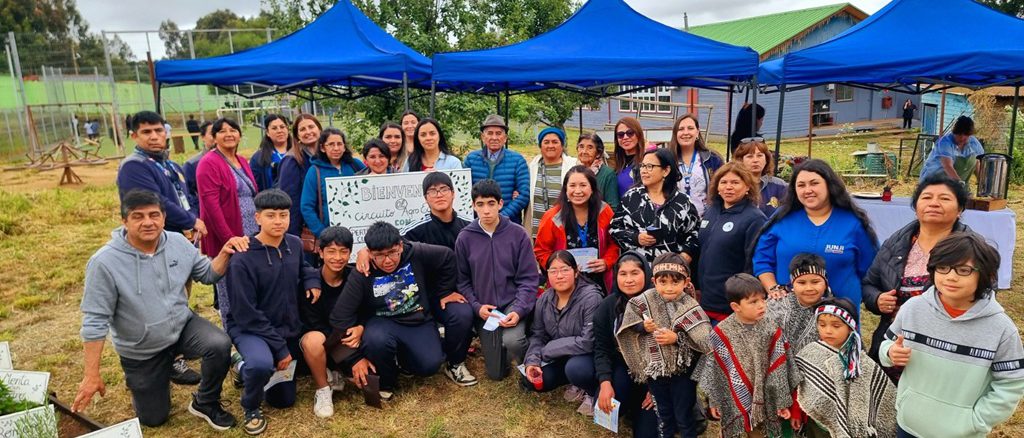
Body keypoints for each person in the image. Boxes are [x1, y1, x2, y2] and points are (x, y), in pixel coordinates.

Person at [73, 189, 248, 430]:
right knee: (154, 419)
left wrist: (225, 252)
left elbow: (208, 274)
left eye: (154, 215)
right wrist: (91, 375)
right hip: (142, 348)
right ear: (124, 221)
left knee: (219, 343)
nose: (148, 222)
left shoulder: (177, 242)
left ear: (164, 218)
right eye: (138, 216)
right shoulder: (104, 262)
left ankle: (205, 402)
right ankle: (147, 379)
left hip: (181, 326)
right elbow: (95, 322)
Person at [880, 233, 1024, 438]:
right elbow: (887, 344)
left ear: (986, 274)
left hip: (961, 434)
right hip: (908, 425)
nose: (951, 277)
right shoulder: (913, 309)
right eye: (943, 268)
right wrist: (890, 352)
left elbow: (1011, 384)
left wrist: (975, 421)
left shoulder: (1001, 329)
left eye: (964, 270)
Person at [329, 222, 476, 398]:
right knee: (376, 339)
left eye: (392, 252)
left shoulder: (415, 252)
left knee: (429, 365)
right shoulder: (362, 272)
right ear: (370, 252)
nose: (387, 260)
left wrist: (444, 291)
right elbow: (339, 317)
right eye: (379, 255)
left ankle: (405, 359)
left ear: (400, 246)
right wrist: (354, 357)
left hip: (417, 320)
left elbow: (447, 256)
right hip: (383, 323)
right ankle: (386, 382)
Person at [223, 189, 320, 435]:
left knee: (283, 400)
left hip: (287, 326)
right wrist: (279, 348)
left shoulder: (294, 244)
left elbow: (304, 268)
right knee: (261, 365)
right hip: (250, 328)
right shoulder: (242, 258)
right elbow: (245, 313)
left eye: (283, 215)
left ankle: (241, 366)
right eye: (271, 215)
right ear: (257, 218)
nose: (278, 221)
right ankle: (250, 405)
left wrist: (311, 281)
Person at [862, 174, 971, 381]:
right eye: (927, 197)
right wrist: (877, 299)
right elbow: (869, 284)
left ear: (960, 209)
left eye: (944, 198)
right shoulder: (896, 243)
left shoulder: (971, 250)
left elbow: (982, 297)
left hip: (942, 350)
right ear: (916, 206)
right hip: (893, 347)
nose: (934, 203)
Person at [752, 159, 878, 311]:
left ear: (829, 184)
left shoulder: (853, 223)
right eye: (801, 185)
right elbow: (762, 260)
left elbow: (871, 270)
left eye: (814, 183)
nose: (807, 190)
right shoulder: (782, 218)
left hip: (839, 316)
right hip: (788, 313)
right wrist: (773, 289)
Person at [616, 253, 711, 438]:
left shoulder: (690, 305)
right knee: (663, 413)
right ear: (654, 281)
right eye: (663, 282)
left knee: (684, 415)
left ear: (686, 282)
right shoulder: (643, 301)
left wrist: (677, 338)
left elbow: (704, 341)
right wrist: (643, 327)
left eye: (675, 282)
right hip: (656, 370)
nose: (669, 288)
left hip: (684, 372)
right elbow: (628, 325)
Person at [456, 179, 539, 380]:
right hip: (486, 310)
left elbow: (529, 279)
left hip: (513, 303)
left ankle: (530, 361)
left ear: (500, 204)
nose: (486, 210)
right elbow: (462, 281)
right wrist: (477, 307)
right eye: (480, 204)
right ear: (473, 206)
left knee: (513, 341)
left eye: (491, 203)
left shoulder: (518, 234)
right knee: (496, 374)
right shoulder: (465, 238)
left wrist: (518, 310)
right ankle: (502, 351)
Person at [694, 273, 796, 438]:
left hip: (767, 394)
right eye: (753, 302)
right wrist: (715, 401)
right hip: (737, 395)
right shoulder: (722, 332)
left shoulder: (771, 328)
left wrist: (781, 401)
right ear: (736, 306)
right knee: (747, 430)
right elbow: (716, 371)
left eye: (763, 299)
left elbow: (780, 367)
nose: (762, 305)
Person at [795, 298, 897, 438]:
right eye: (822, 325)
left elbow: (883, 402)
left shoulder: (861, 363)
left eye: (836, 326)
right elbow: (798, 385)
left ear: (850, 327)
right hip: (817, 426)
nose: (828, 331)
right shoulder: (809, 353)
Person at [522, 251, 603, 416]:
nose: (559, 276)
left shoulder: (591, 297)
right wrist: (532, 361)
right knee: (531, 380)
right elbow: (538, 334)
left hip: (589, 357)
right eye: (553, 271)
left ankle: (591, 390)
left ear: (576, 272)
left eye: (565, 270)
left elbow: (588, 341)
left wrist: (550, 349)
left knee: (576, 368)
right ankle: (572, 381)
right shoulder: (545, 299)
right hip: (562, 356)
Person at [197, 117, 259, 319]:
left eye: (233, 130)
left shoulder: (242, 160)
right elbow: (211, 206)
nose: (229, 134)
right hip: (228, 233)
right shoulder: (209, 163)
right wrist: (228, 239)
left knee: (249, 283)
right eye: (222, 131)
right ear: (214, 137)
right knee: (229, 287)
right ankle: (231, 328)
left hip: (250, 230)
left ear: (240, 135)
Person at [298, 226, 362, 419]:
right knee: (314, 340)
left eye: (343, 251)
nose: (338, 257)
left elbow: (367, 310)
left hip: (351, 338)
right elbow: (314, 325)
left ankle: (337, 371)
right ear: (320, 252)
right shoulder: (310, 284)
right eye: (331, 251)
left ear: (350, 253)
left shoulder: (355, 277)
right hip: (323, 341)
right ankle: (323, 388)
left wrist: (361, 327)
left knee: (368, 381)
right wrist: (349, 358)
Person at [593, 252, 659, 437]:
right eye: (623, 274)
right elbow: (602, 349)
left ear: (646, 274)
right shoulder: (608, 306)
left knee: (646, 434)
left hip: (657, 374)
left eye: (635, 273)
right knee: (604, 409)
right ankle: (631, 404)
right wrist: (605, 383)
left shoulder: (660, 303)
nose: (629, 280)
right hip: (625, 368)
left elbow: (673, 354)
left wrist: (657, 389)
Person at [696, 162, 767, 322]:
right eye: (724, 182)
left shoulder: (755, 218)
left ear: (747, 186)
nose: (728, 187)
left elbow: (753, 264)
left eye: (735, 182)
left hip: (731, 306)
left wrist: (743, 300)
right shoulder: (712, 211)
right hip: (706, 300)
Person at [116, 111, 204, 237]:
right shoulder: (133, 166)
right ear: (134, 136)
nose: (154, 137)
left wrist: (194, 219)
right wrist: (191, 221)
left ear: (165, 133)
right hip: (155, 238)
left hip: (184, 236)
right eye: (146, 132)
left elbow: (189, 196)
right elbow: (155, 202)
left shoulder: (172, 165)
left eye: (158, 130)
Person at [534, 166, 619, 291]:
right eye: (572, 186)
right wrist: (560, 268)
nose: (577, 191)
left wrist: (606, 262)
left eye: (583, 185)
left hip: (600, 281)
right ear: (565, 189)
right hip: (565, 283)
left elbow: (615, 243)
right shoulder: (552, 217)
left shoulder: (604, 211)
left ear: (592, 188)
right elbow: (541, 250)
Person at [610, 147, 700, 264]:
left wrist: (685, 256)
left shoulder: (682, 201)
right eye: (642, 166)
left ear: (666, 171)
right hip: (638, 268)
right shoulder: (631, 197)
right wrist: (636, 238)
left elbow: (695, 233)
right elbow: (614, 229)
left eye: (650, 166)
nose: (643, 171)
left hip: (670, 269)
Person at [463, 114, 531, 224]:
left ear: (505, 138)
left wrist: (501, 217)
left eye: (498, 133)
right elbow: (464, 191)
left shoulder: (517, 160)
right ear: (483, 137)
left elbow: (523, 195)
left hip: (509, 223)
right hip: (477, 222)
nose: (494, 138)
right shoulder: (471, 159)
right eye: (490, 133)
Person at [300, 128, 365, 238]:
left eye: (339, 144)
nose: (336, 148)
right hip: (330, 235)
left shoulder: (355, 165)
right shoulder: (315, 171)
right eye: (331, 144)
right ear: (322, 148)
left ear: (344, 147)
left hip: (358, 230)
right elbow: (306, 207)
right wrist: (322, 233)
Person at [766, 253, 833, 358]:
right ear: (792, 284)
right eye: (802, 283)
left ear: (825, 283)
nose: (809, 288)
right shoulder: (775, 305)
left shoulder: (833, 311)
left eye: (815, 282)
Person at [527, 126, 579, 238]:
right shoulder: (532, 167)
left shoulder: (573, 166)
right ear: (540, 146)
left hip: (564, 230)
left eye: (555, 142)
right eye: (546, 142)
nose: (550, 146)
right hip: (538, 231)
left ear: (562, 145)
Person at [669, 114, 723, 216]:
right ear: (675, 134)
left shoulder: (712, 159)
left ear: (697, 132)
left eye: (690, 128)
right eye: (681, 129)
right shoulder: (667, 160)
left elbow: (722, 190)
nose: (686, 132)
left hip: (705, 219)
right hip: (674, 219)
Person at [278, 114, 322, 238]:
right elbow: (290, 202)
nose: (308, 132)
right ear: (297, 136)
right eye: (302, 129)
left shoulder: (327, 157)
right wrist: (294, 236)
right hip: (305, 229)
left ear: (319, 129)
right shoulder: (292, 161)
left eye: (311, 127)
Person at [402, 172, 472, 249]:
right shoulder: (413, 232)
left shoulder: (469, 226)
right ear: (426, 198)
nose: (439, 195)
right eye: (432, 191)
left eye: (444, 190)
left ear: (453, 194)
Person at [918, 115, 984, 186]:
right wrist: (959, 184)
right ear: (954, 132)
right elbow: (947, 166)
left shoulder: (974, 143)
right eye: (959, 134)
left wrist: (982, 183)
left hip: (954, 181)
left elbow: (977, 163)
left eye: (965, 135)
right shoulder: (945, 142)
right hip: (932, 181)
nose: (962, 137)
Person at [732, 138, 788, 217]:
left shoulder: (780, 185)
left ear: (766, 159)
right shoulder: (732, 185)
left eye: (759, 155)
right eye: (750, 156)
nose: (755, 160)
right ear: (740, 160)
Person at [575, 133, 620, 210]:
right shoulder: (574, 172)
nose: (584, 151)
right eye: (581, 147)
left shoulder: (608, 174)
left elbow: (613, 207)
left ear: (598, 153)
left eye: (590, 148)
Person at [249, 114, 292, 192]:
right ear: (267, 132)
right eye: (274, 128)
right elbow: (255, 186)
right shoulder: (258, 158)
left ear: (288, 129)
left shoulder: (299, 152)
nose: (279, 131)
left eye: (282, 127)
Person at [183, 121, 215, 215]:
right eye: (212, 133)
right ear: (202, 137)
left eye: (219, 132)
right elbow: (187, 194)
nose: (216, 137)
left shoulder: (234, 162)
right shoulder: (192, 164)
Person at [612, 117, 645, 198]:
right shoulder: (618, 166)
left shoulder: (646, 163)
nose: (625, 137)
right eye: (620, 134)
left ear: (638, 135)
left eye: (630, 133)